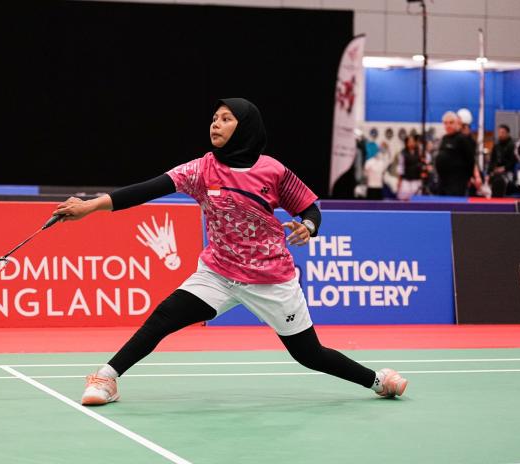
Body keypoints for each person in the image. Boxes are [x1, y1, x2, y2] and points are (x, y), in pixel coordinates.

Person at [53, 98, 408, 405]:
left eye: (226, 118)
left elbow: (310, 208)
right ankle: (106, 377)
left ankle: (378, 381)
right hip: (219, 272)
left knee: (309, 354)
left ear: (246, 126)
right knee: (164, 317)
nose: (215, 124)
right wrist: (91, 206)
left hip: (272, 278)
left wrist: (309, 226)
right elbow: (147, 189)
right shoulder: (201, 169)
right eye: (213, 118)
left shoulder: (273, 170)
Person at [434, 111, 475, 196]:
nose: (448, 125)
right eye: (445, 123)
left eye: (451, 122)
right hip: (442, 181)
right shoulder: (444, 138)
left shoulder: (462, 139)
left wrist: (469, 177)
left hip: (457, 182)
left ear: (457, 124)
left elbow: (470, 160)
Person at [487, 124, 516, 197]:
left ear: (507, 133)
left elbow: (513, 161)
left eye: (502, 132)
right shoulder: (496, 146)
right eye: (499, 132)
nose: (500, 134)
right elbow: (492, 160)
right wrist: (489, 172)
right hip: (496, 172)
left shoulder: (512, 145)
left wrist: (504, 168)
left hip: (508, 172)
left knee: (500, 181)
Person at [396, 135, 423, 200]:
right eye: (409, 142)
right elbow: (400, 167)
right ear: (406, 143)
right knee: (405, 198)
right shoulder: (403, 153)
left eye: (413, 141)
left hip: (416, 180)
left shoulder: (420, 152)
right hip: (406, 180)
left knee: (417, 199)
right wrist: (399, 181)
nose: (411, 143)